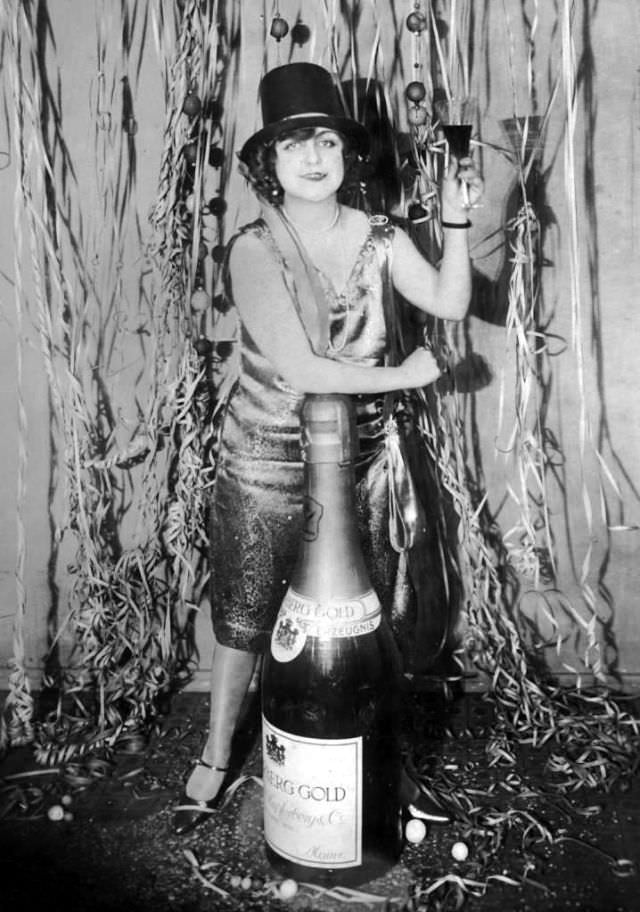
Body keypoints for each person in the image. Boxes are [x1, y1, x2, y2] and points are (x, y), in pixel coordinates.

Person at [173, 62, 483, 834]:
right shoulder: (252, 248)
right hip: (267, 460)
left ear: (348, 156)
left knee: (372, 625)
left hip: (359, 463)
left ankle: (389, 768)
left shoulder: (379, 237)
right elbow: (303, 368)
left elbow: (447, 300)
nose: (312, 159)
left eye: (325, 143)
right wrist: (407, 373)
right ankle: (216, 753)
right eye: (291, 146)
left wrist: (452, 223)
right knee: (246, 620)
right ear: (269, 165)